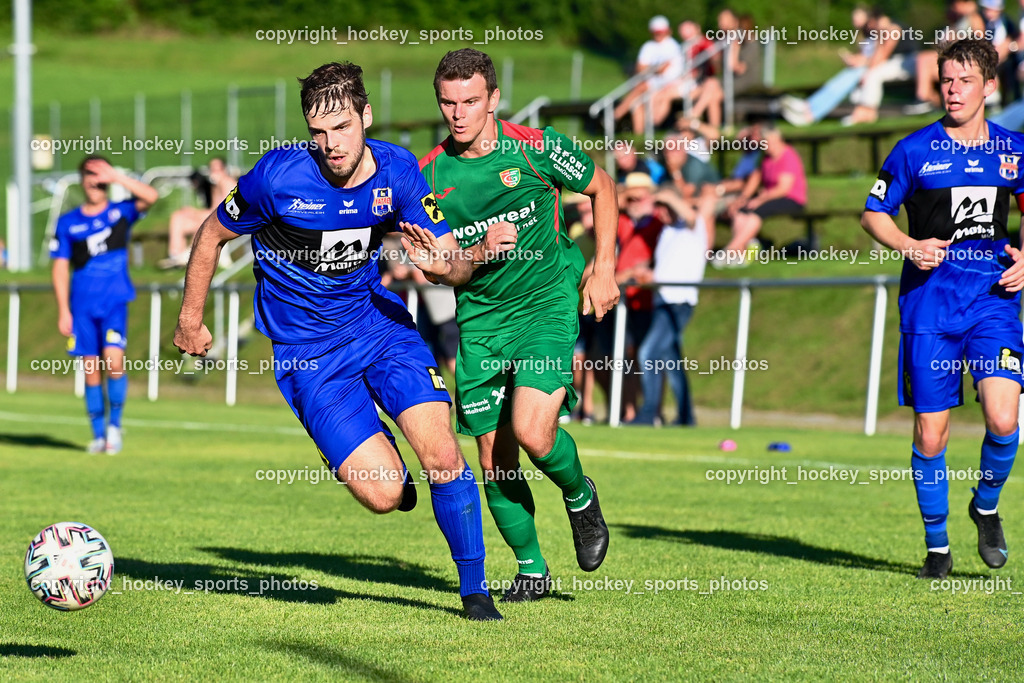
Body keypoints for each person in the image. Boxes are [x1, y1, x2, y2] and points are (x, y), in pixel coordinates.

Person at [172, 61, 502, 621]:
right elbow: (209, 235)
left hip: (379, 329)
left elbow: (455, 265)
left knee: (444, 455)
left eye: (343, 127)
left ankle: (476, 594)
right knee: (384, 495)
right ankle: (387, 474)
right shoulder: (276, 180)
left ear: (365, 116)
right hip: (310, 357)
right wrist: (190, 319)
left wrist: (443, 266)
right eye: (318, 133)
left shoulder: (398, 170)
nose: (331, 144)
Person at [411, 48, 618, 603]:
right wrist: (466, 254)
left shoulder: (537, 148)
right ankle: (532, 571)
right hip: (480, 321)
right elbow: (446, 271)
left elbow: (602, 188)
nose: (459, 113)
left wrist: (604, 266)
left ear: (494, 100)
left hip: (547, 302)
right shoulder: (428, 176)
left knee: (531, 431)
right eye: (448, 103)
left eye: (471, 101)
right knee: (492, 458)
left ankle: (579, 497)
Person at [861, 39, 1024, 579]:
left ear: (990, 87)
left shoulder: (1014, 149)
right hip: (930, 307)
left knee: (1003, 417)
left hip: (993, 300)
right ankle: (937, 549)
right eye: (946, 80)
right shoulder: (913, 149)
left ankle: (986, 506)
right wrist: (910, 246)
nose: (953, 90)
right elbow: (873, 214)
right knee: (932, 434)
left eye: (965, 81)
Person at [50, 156, 158, 454]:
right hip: (82, 306)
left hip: (114, 302)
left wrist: (117, 178)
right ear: (81, 179)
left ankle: (115, 428)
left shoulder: (120, 212)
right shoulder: (68, 222)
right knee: (90, 369)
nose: (95, 180)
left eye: (100, 174)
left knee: (114, 363)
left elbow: (151, 196)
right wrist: (63, 309)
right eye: (89, 174)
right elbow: (59, 268)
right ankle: (98, 436)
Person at [630, 189, 712, 426]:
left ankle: (648, 414)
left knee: (648, 353)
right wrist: (649, 276)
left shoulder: (693, 228)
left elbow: (684, 209)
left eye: (664, 208)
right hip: (663, 300)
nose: (660, 212)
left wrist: (661, 195)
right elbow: (669, 268)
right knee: (671, 363)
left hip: (678, 303)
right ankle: (686, 417)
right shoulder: (667, 231)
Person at [719, 124, 806, 262]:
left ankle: (731, 250)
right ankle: (741, 252)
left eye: (771, 142)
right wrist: (743, 199)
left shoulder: (788, 156)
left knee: (756, 211)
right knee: (741, 211)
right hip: (769, 197)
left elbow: (783, 189)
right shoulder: (766, 159)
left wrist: (760, 199)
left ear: (779, 140)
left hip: (790, 199)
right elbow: (755, 178)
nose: (768, 146)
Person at [158, 158, 236, 269]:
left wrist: (194, 212)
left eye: (216, 169)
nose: (213, 172)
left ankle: (188, 256)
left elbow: (224, 211)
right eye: (211, 168)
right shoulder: (216, 185)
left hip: (225, 221)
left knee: (197, 219)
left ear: (223, 169)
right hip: (215, 217)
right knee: (178, 216)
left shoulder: (227, 182)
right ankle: (175, 255)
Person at [613, 16, 684, 135]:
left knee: (642, 87)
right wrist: (655, 69)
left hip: (666, 85)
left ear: (668, 31)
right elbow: (641, 68)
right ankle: (640, 137)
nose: (659, 35)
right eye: (656, 32)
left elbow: (662, 71)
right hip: (653, 84)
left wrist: (651, 70)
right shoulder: (648, 46)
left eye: (661, 32)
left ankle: (617, 114)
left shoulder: (673, 47)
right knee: (636, 104)